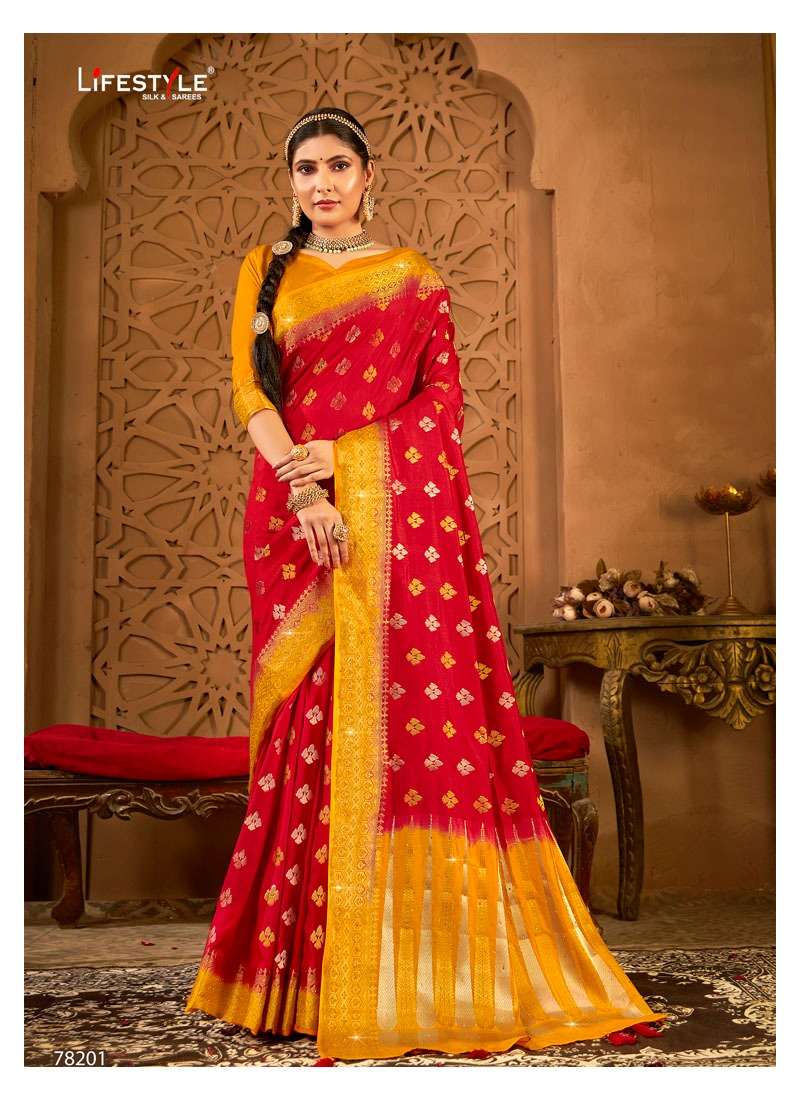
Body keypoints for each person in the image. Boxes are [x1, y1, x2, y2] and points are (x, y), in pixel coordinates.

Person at [184, 107, 667, 1061]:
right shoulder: (262, 270)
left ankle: (407, 969)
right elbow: (252, 394)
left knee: (400, 720)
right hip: (290, 517)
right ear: (291, 182)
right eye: (306, 169)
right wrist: (306, 490)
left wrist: (347, 463)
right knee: (310, 724)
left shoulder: (414, 278)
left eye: (339, 166)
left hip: (392, 524)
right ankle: (294, 979)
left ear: (369, 176)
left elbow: (441, 406)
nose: (323, 184)